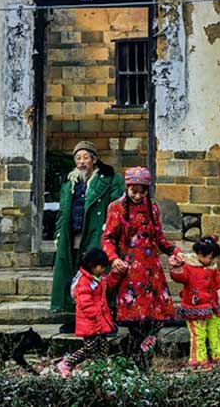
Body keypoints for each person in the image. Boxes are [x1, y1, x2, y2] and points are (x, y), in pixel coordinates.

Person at [101, 166, 183, 370]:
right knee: (135, 321)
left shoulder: (153, 208)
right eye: (133, 191)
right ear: (127, 188)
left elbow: (160, 239)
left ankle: (134, 352)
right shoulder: (116, 208)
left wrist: (174, 251)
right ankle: (138, 361)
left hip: (152, 273)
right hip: (129, 272)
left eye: (142, 191)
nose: (138, 195)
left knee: (156, 320)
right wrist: (113, 259)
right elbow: (108, 238)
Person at [51, 141, 124, 318]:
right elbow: (62, 211)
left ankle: (105, 314)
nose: (81, 162)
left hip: (97, 233)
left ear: (94, 159)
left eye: (85, 157)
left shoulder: (110, 179)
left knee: (97, 274)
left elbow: (118, 206)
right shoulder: (70, 183)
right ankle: (73, 315)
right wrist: (59, 232)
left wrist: (111, 229)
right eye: (78, 158)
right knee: (73, 273)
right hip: (72, 234)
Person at [170, 235, 220, 370]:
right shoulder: (189, 265)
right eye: (210, 257)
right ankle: (198, 360)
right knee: (198, 335)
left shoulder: (212, 268)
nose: (212, 260)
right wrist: (176, 267)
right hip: (194, 307)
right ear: (200, 254)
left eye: (213, 258)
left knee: (216, 329)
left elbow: (218, 285)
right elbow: (180, 277)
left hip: (211, 306)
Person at [56, 249, 119, 378]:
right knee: (90, 348)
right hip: (90, 322)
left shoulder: (99, 279)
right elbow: (84, 303)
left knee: (103, 348)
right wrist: (96, 314)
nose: (103, 270)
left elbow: (109, 283)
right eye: (101, 267)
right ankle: (67, 363)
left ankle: (99, 371)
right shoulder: (84, 282)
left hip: (100, 321)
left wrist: (117, 273)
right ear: (92, 266)